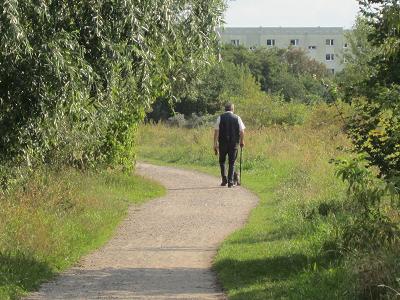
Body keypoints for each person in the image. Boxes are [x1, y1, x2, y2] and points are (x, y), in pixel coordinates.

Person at [213, 103, 245, 188]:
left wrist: (215, 143)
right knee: (232, 162)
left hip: (223, 143)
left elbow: (216, 131)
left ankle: (224, 180)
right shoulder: (237, 118)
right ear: (232, 109)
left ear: (225, 109)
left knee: (222, 161)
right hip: (234, 144)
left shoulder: (220, 117)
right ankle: (230, 182)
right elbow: (242, 131)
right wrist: (242, 141)